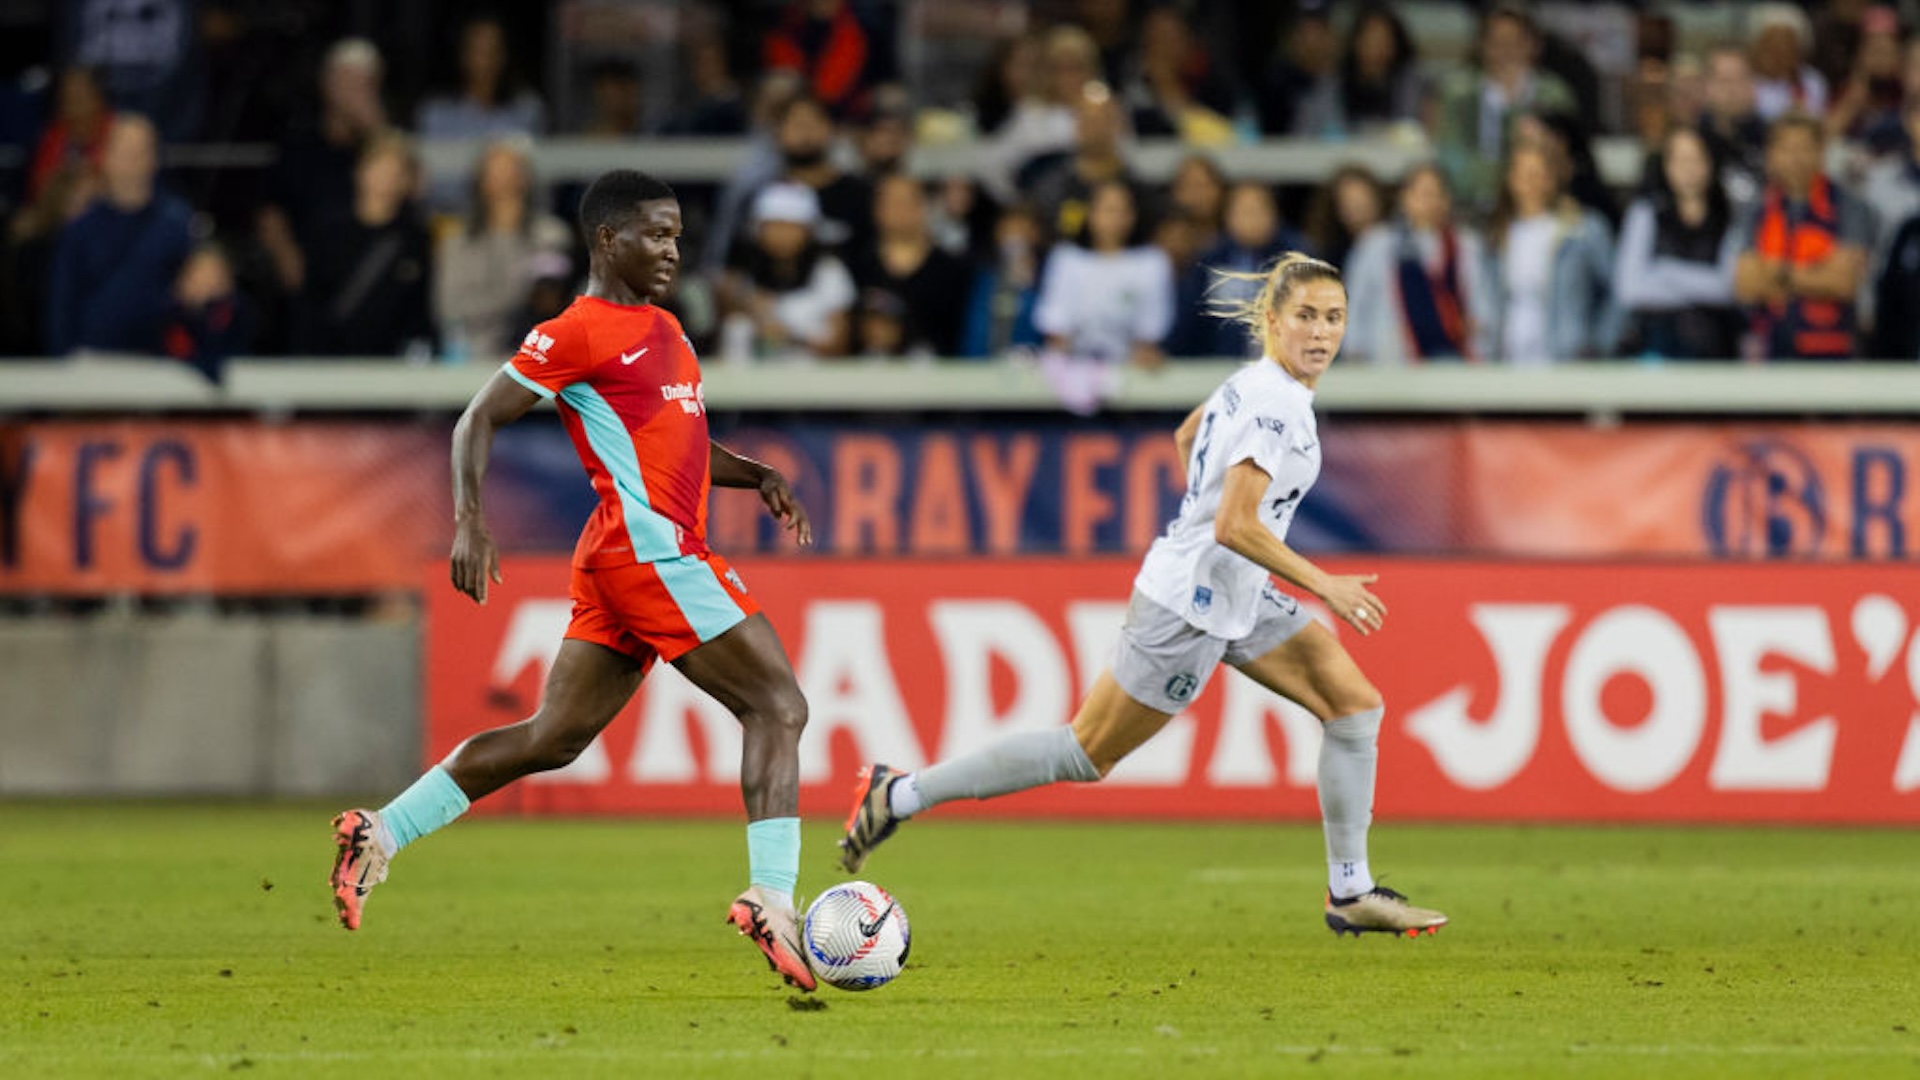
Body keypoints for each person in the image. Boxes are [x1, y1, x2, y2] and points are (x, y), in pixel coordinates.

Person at [835, 253, 1448, 939]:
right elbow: (1236, 522)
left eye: (1333, 318)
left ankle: (1351, 891)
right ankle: (901, 793)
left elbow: (1188, 436)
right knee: (1084, 753)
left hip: (1230, 588)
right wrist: (1322, 583)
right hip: (1189, 606)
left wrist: (1204, 524)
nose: (1322, 332)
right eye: (1305, 316)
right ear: (1273, 322)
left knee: (1353, 706)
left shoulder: (1256, 383)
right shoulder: (1278, 405)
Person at [329, 169, 821, 993]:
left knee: (553, 737)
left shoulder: (665, 326)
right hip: (652, 552)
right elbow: (476, 419)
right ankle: (774, 899)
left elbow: (681, 444)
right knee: (778, 705)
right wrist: (471, 521)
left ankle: (378, 832)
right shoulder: (578, 331)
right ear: (607, 240)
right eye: (655, 235)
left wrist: (757, 471)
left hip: (621, 557)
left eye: (675, 235)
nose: (671, 250)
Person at [44, 114, 192, 356]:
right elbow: (62, 301)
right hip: (92, 362)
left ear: (154, 158)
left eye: (140, 151)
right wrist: (64, 361)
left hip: (161, 365)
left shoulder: (177, 224)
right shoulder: (81, 229)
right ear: (107, 157)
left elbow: (192, 298)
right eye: (124, 151)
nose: (132, 161)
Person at [1732, 113, 1873, 361]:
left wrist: (1778, 274)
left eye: (1804, 148)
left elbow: (1844, 282)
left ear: (1821, 151)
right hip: (1769, 352)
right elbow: (1745, 284)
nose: (1795, 159)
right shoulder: (1757, 209)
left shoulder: (1848, 206)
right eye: (1786, 149)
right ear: (1771, 154)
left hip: (1832, 352)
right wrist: (1816, 274)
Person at [291, 132, 434, 358]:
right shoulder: (329, 233)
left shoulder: (415, 239)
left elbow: (420, 312)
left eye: (395, 171)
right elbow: (312, 301)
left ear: (407, 181)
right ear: (360, 171)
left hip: (393, 361)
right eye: (379, 167)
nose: (386, 178)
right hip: (330, 357)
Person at [433, 138, 573, 361]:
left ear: (526, 178)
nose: (505, 180)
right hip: (472, 355)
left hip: (537, 357)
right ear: (481, 182)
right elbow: (449, 307)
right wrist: (518, 292)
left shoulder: (550, 234)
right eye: (496, 172)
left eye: (512, 171)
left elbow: (550, 303)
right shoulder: (458, 241)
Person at [1433, 4, 1578, 217]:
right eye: (1497, 43)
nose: (1506, 52)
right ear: (1481, 46)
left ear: (1533, 45)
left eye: (1515, 43)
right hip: (1471, 207)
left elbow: (1564, 163)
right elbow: (1451, 161)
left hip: (1539, 208)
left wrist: (1516, 106)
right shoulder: (1458, 95)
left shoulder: (1554, 95)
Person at [1342, 163, 1494, 366]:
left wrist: (1481, 344)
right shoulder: (1376, 244)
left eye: (1437, 194)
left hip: (1453, 361)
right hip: (1391, 363)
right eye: (1423, 194)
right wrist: (1354, 354)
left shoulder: (1466, 245)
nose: (1430, 202)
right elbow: (1354, 304)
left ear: (1447, 200)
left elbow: (1481, 305)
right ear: (1405, 198)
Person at [1614, 126, 1742, 361]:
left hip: (1716, 348)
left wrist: (1664, 272)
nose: (1688, 169)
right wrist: (1701, 285)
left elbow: (1728, 288)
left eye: (1696, 159)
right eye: (1680, 160)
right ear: (1666, 165)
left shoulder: (1728, 216)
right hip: (1656, 346)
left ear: (1710, 163)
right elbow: (1630, 289)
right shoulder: (1645, 213)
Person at [1486, 139, 1616, 365]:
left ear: (1553, 178)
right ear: (1510, 180)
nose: (1531, 183)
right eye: (1524, 174)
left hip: (1567, 353)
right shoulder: (1497, 235)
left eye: (1539, 174)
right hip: (1508, 351)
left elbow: (1615, 290)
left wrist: (1599, 342)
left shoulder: (1583, 229)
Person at [1033, 178, 1173, 370]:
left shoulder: (1152, 261)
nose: (1114, 219)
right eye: (1107, 210)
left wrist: (1142, 352)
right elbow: (1055, 323)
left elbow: (1152, 325)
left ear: (1133, 216)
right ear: (1090, 214)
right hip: (1072, 367)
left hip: (1131, 366)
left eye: (1122, 211)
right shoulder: (1065, 258)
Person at [718, 181, 856, 360]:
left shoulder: (829, 272)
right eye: (774, 225)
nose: (782, 234)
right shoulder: (743, 275)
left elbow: (839, 346)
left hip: (813, 377)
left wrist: (788, 335)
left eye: (791, 226)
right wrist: (748, 308)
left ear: (809, 230)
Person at [1170, 181, 1305, 358]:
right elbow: (1190, 319)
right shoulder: (1211, 260)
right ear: (1227, 217)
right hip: (1219, 366)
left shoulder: (1296, 259)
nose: (1251, 220)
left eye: (1257, 211)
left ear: (1274, 214)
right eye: (1244, 212)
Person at [850, 172, 970, 356]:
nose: (899, 210)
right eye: (890, 202)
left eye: (907, 202)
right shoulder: (856, 265)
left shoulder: (951, 270)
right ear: (876, 209)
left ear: (924, 207)